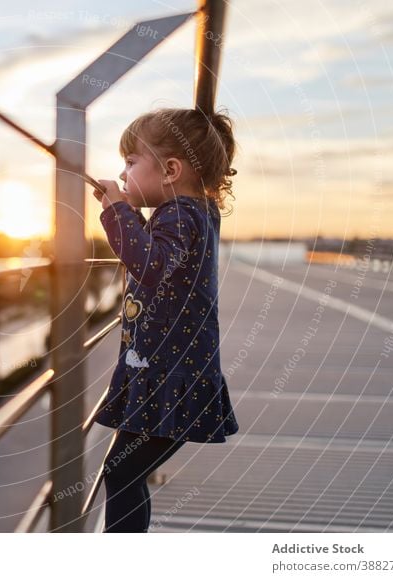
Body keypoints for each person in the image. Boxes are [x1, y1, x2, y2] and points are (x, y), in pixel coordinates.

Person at [92, 107, 241, 533]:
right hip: (171, 373)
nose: (123, 175)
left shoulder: (180, 215)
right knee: (124, 473)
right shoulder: (194, 213)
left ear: (171, 170)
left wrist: (117, 211)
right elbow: (163, 256)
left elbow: (150, 264)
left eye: (131, 162)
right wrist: (124, 210)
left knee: (121, 473)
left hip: (171, 379)